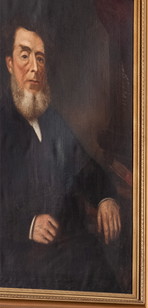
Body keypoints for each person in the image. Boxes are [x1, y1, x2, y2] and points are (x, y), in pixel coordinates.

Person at [1, 20, 124, 292]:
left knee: (97, 268)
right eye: (25, 56)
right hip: (16, 258)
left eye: (40, 58)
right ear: (10, 64)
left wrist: (105, 198)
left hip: (67, 249)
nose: (34, 67)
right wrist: (27, 225)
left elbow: (86, 169)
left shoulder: (52, 119)